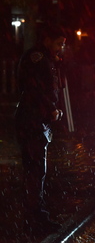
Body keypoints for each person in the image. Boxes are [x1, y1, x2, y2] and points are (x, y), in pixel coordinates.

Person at [15, 24, 66, 237]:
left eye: (62, 45)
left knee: (35, 172)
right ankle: (34, 220)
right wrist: (51, 111)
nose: (60, 49)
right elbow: (35, 90)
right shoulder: (37, 59)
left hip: (34, 122)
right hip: (33, 123)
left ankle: (35, 218)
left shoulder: (41, 58)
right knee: (36, 172)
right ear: (47, 40)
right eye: (58, 44)